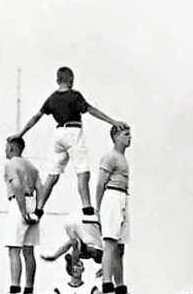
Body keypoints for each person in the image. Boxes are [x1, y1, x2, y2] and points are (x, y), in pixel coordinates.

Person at [11, 66, 127, 218]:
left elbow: (36, 117)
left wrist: (21, 133)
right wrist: (112, 121)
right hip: (73, 131)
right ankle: (87, 209)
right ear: (71, 80)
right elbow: (91, 110)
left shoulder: (52, 98)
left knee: (52, 175)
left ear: (57, 80)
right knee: (82, 172)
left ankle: (39, 210)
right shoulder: (74, 95)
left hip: (58, 134)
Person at [95, 125, 134, 294]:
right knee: (110, 242)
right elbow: (100, 184)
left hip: (123, 197)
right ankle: (106, 286)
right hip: (112, 196)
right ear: (116, 136)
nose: (130, 137)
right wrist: (98, 208)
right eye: (126, 134)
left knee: (120, 247)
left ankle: (120, 288)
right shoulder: (109, 157)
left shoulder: (123, 158)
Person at [1, 136, 42, 294]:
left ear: (12, 148)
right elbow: (41, 187)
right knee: (29, 250)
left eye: (6, 147)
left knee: (14, 248)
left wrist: (23, 210)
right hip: (32, 201)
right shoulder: (32, 166)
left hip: (19, 203)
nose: (5, 150)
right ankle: (29, 289)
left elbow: (16, 185)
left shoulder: (11, 164)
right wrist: (38, 210)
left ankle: (15, 289)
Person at [42, 214, 104, 294]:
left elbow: (69, 245)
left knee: (94, 253)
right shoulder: (61, 288)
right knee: (81, 247)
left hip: (88, 240)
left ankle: (80, 249)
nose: (76, 269)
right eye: (75, 266)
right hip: (85, 235)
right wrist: (54, 256)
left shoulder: (91, 250)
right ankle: (79, 249)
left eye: (77, 266)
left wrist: (54, 256)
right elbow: (68, 245)